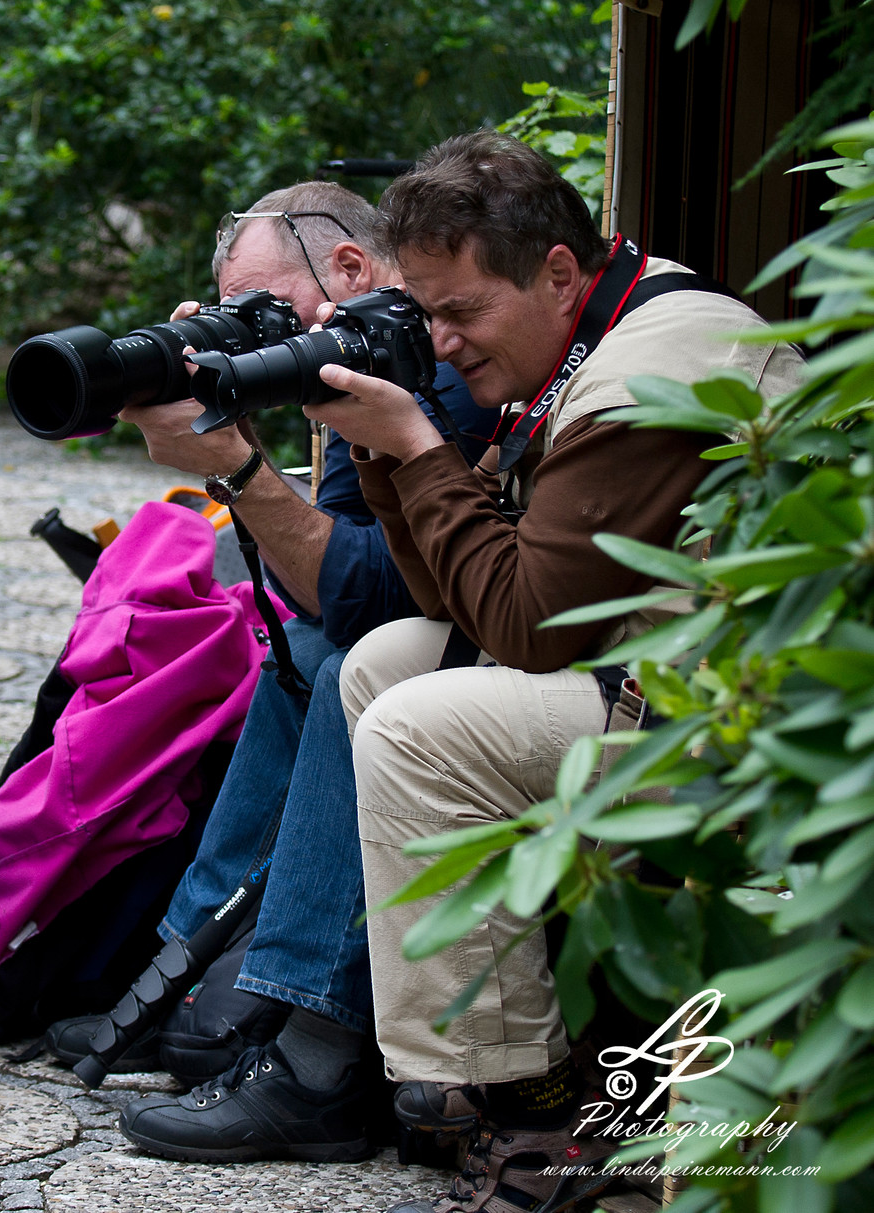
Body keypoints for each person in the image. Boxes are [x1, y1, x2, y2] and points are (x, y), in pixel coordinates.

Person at [314, 133, 800, 1213]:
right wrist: (382, 445)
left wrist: (416, 443)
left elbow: (527, 625)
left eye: (461, 314)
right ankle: (504, 1060)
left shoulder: (645, 375)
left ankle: (526, 1106)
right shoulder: (600, 328)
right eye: (424, 314)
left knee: (416, 726)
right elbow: (454, 602)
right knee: (386, 667)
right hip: (654, 673)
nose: (440, 344)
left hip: (742, 725)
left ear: (558, 273)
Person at [51, 182, 491, 1163]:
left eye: (259, 309)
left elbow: (375, 601)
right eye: (228, 314)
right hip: (413, 632)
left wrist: (238, 466)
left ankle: (308, 1046)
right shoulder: (345, 361)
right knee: (296, 653)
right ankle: (183, 985)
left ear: (346, 270)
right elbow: (308, 597)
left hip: (490, 651)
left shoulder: (431, 364)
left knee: (341, 665)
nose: (244, 340)